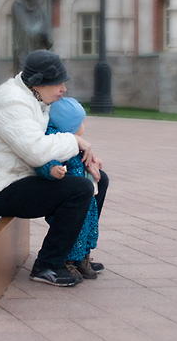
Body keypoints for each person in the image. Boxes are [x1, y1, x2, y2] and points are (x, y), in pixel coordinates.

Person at [0, 50, 108, 287]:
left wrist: (86, 155)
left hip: (26, 176)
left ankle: (76, 255)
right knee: (80, 189)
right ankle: (47, 264)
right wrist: (76, 142)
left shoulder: (35, 97)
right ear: (38, 83)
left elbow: (51, 136)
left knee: (98, 180)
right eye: (58, 83)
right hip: (1, 191)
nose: (63, 89)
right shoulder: (11, 101)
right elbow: (36, 151)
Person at [36, 97, 107, 281]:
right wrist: (51, 169)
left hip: (85, 198)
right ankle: (67, 262)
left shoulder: (73, 143)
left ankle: (81, 258)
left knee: (86, 227)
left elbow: (82, 158)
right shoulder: (56, 142)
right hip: (66, 192)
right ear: (69, 127)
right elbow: (44, 159)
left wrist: (92, 162)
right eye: (81, 123)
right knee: (76, 230)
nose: (84, 126)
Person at [12, 0, 53, 75]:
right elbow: (25, 26)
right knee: (24, 70)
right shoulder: (18, 5)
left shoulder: (40, 6)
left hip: (38, 44)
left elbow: (46, 23)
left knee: (38, 68)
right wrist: (40, 27)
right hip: (24, 43)